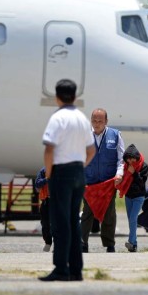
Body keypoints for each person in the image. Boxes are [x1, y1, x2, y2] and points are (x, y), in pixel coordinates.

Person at [39, 79, 95, 282]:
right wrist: (81, 166)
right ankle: (76, 270)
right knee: (73, 221)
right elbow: (91, 150)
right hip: (78, 172)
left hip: (61, 173)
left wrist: (48, 173)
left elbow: (49, 148)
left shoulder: (58, 117)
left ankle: (61, 268)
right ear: (75, 97)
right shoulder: (81, 118)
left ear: (57, 97)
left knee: (60, 223)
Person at [81, 108, 125, 253]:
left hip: (108, 183)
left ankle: (109, 244)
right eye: (94, 120)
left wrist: (119, 174)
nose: (97, 123)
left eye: (100, 121)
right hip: (90, 182)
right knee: (87, 213)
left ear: (106, 121)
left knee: (109, 213)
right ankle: (82, 243)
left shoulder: (115, 135)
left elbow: (121, 159)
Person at [116, 144, 148, 252]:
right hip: (128, 196)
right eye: (128, 159)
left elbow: (141, 182)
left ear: (137, 157)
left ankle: (131, 241)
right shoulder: (125, 167)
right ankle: (133, 244)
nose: (130, 161)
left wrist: (134, 173)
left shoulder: (144, 166)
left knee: (133, 219)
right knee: (130, 220)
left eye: (132, 158)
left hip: (139, 197)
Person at [35, 167, 53, 252]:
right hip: (46, 201)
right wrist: (46, 179)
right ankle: (48, 242)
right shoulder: (43, 171)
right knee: (45, 224)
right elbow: (37, 184)